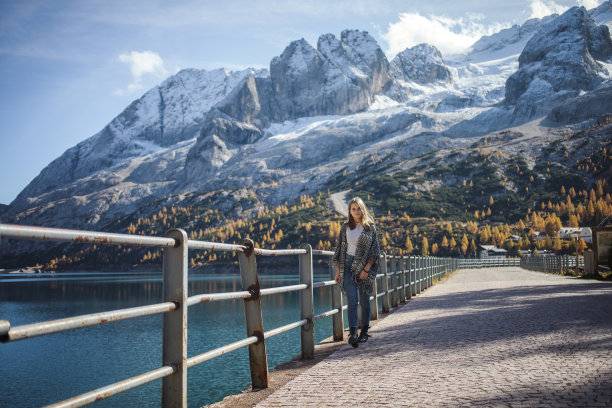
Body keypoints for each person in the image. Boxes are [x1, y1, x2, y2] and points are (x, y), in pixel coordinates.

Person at [332, 197, 381, 348]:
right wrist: (339, 271)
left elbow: (374, 252)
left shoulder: (369, 227)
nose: (356, 211)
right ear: (350, 211)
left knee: (365, 300)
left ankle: (364, 331)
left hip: (364, 266)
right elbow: (340, 249)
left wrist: (366, 269)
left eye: (358, 208)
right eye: (353, 209)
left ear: (362, 209)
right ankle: (353, 333)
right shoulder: (345, 227)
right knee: (352, 300)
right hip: (347, 265)